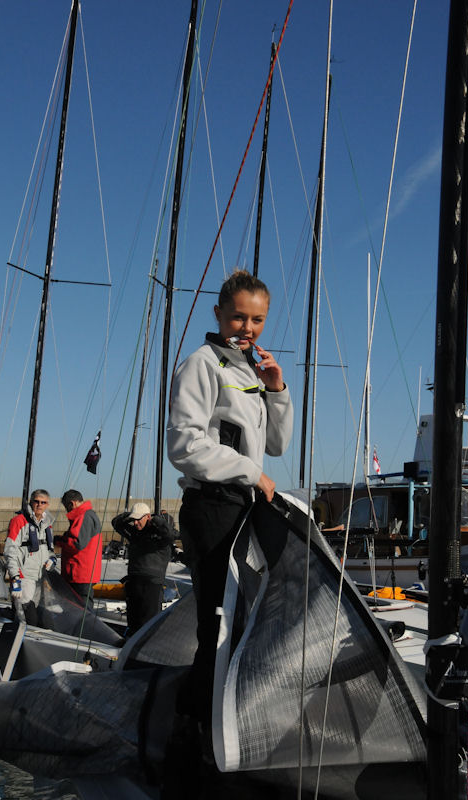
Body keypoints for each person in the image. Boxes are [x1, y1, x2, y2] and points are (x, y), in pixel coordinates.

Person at [167, 269, 293, 730]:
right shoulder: (202, 363)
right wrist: (250, 472)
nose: (248, 328)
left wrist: (276, 388)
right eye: (238, 317)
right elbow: (184, 444)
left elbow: (275, 444)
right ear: (218, 313)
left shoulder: (249, 371)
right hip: (212, 507)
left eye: (257, 320)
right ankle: (193, 731)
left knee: (240, 623)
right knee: (219, 626)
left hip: (242, 509)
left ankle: (220, 727)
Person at [111, 503, 174, 633]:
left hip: (152, 585)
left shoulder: (160, 536)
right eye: (133, 520)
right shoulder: (134, 533)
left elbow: (169, 535)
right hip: (134, 582)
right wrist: (130, 515)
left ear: (147, 517)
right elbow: (116, 523)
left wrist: (156, 519)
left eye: (138, 519)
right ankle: (130, 644)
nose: (135, 523)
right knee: (133, 622)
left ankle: (146, 647)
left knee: (149, 624)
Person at [4, 489, 57, 625]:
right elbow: (10, 550)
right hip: (24, 577)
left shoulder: (48, 524)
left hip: (40, 579)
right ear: (31, 502)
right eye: (36, 501)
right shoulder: (18, 521)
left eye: (43, 502)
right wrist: (15, 578)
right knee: (27, 617)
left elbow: (49, 550)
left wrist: (52, 559)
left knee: (39, 617)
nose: (39, 505)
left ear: (47, 505)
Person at [57, 490, 102, 607]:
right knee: (79, 607)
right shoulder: (87, 515)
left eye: (66, 507)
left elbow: (77, 543)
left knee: (81, 610)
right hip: (81, 572)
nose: (67, 510)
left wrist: (59, 541)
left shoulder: (84, 516)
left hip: (80, 573)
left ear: (72, 503)